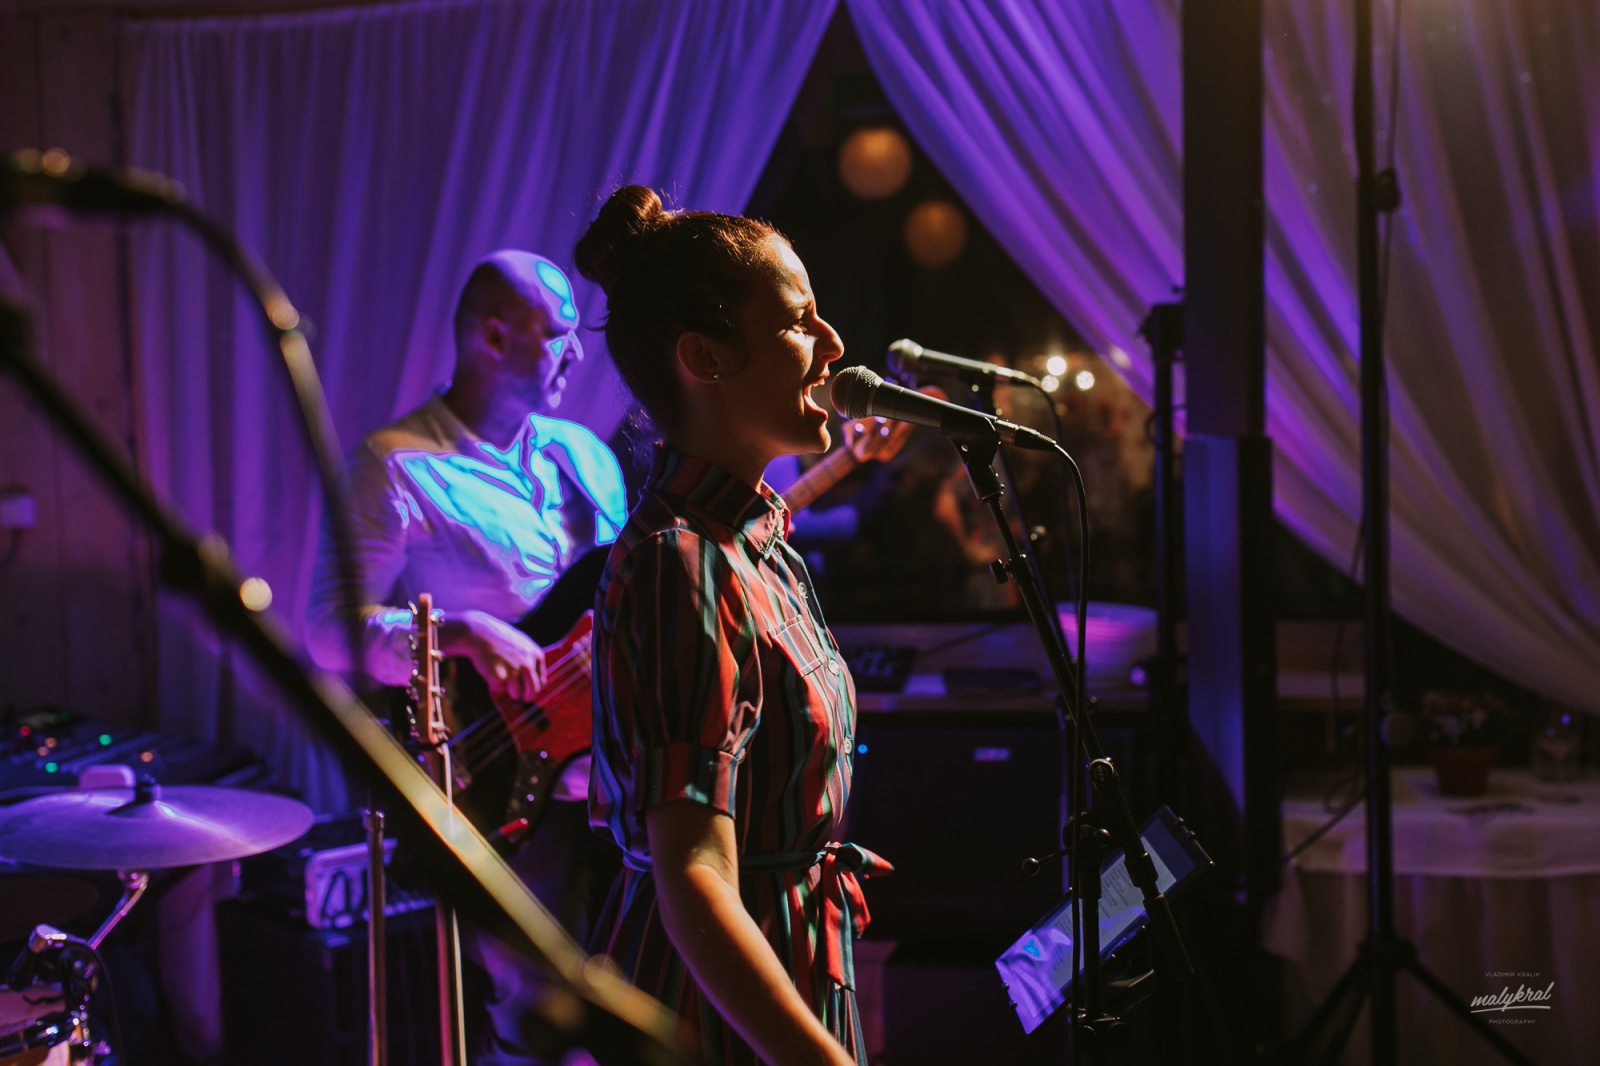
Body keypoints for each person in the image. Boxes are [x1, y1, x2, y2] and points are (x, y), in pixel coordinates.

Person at [575, 186, 887, 1066]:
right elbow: (696, 873)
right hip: (707, 1014)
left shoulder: (757, 547)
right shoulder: (680, 562)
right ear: (704, 358)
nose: (832, 343)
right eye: (797, 321)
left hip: (780, 976)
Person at [304, 249, 625, 1065]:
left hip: (615, 775)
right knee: (536, 1023)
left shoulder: (585, 456)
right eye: (558, 332)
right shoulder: (394, 464)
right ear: (493, 336)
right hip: (505, 783)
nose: (577, 351)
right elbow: (329, 630)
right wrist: (458, 632)